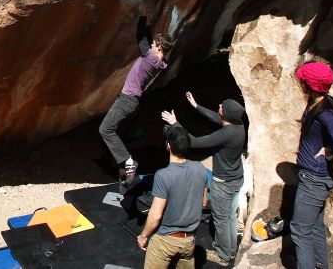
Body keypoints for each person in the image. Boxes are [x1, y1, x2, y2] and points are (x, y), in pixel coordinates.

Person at [161, 94, 246, 266]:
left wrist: (175, 123)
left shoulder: (225, 134)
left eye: (223, 105)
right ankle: (230, 250)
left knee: (221, 219)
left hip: (223, 183)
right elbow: (218, 118)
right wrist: (196, 106)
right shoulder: (238, 125)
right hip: (236, 178)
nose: (220, 104)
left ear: (227, 114)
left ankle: (223, 256)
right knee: (230, 216)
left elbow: (194, 142)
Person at [291, 61, 333, 269]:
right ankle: (319, 265)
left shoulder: (326, 112)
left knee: (300, 231)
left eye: (302, 80)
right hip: (314, 177)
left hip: (314, 180)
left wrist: (328, 150)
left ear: (309, 85)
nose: (300, 83)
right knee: (315, 227)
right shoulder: (317, 102)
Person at [99, 16, 172, 183]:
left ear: (159, 47)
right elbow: (146, 41)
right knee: (115, 132)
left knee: (105, 130)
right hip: (132, 102)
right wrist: (147, 25)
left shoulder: (152, 58)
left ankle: (127, 162)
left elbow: (141, 40)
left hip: (127, 100)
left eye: (154, 44)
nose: (152, 45)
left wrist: (141, 19)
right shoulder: (161, 62)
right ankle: (122, 172)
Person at [137, 125, 208, 269]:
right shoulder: (200, 168)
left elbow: (156, 215)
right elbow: (204, 202)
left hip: (165, 241)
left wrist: (143, 236)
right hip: (189, 241)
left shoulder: (163, 175)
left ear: (168, 146)